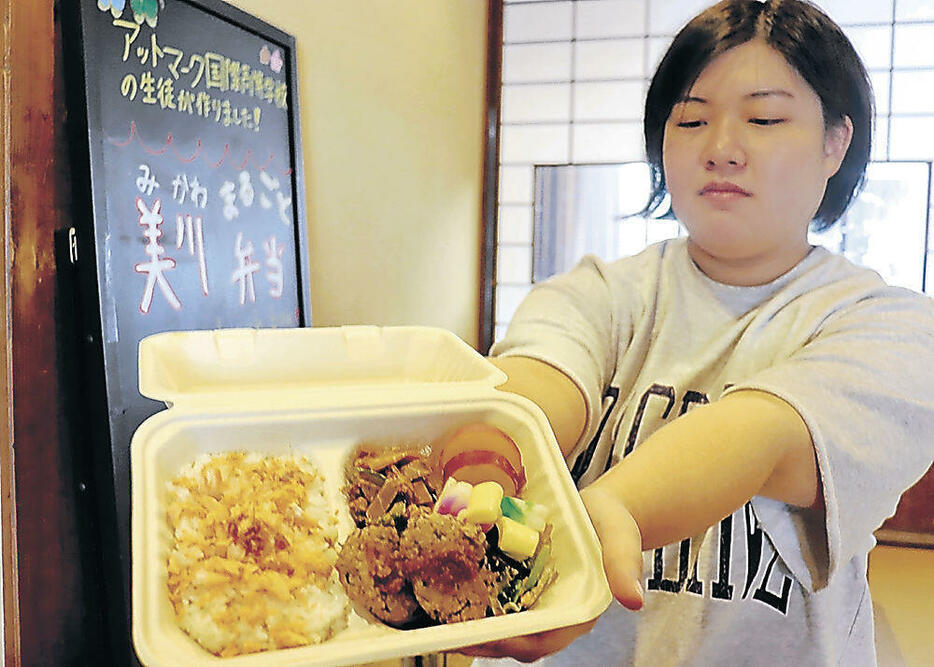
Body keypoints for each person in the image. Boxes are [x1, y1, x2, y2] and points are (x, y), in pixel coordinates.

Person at [462, 0, 934, 664]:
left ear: (836, 142)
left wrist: (615, 509)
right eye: (691, 119)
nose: (720, 150)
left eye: (764, 118)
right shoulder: (597, 290)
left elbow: (764, 433)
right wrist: (477, 470)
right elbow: (540, 384)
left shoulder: (893, 327)